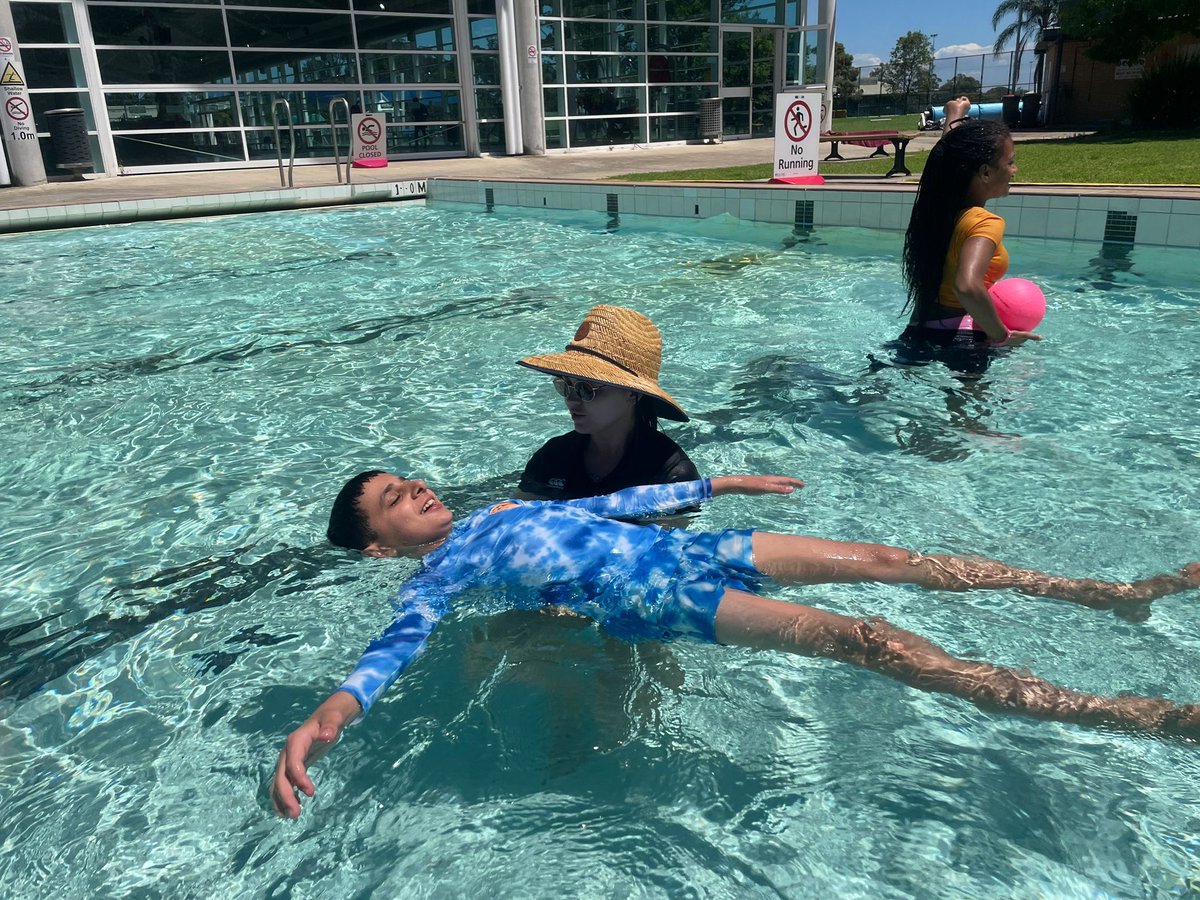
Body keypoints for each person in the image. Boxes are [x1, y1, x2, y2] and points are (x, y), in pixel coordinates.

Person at [270, 472, 1200, 818]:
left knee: (885, 559)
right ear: (374, 545)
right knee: (865, 641)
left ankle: (1105, 596)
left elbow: (600, 506)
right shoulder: (430, 579)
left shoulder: (501, 510)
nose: (417, 493)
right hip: (654, 596)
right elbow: (390, 653)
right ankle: (1135, 716)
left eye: (409, 483)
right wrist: (327, 715)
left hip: (691, 549)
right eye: (394, 504)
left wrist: (718, 483)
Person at [899, 115, 1041, 370]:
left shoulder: (934, 214)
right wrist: (1001, 337)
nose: (1014, 170)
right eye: (1010, 162)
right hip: (962, 340)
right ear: (985, 172)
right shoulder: (985, 223)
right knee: (969, 411)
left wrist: (952, 114)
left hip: (917, 331)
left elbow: (947, 158)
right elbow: (966, 286)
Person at [516, 304, 699, 501]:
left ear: (632, 394)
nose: (571, 399)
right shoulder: (553, 456)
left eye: (586, 390)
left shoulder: (671, 473)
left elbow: (665, 532)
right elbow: (515, 521)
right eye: (565, 385)